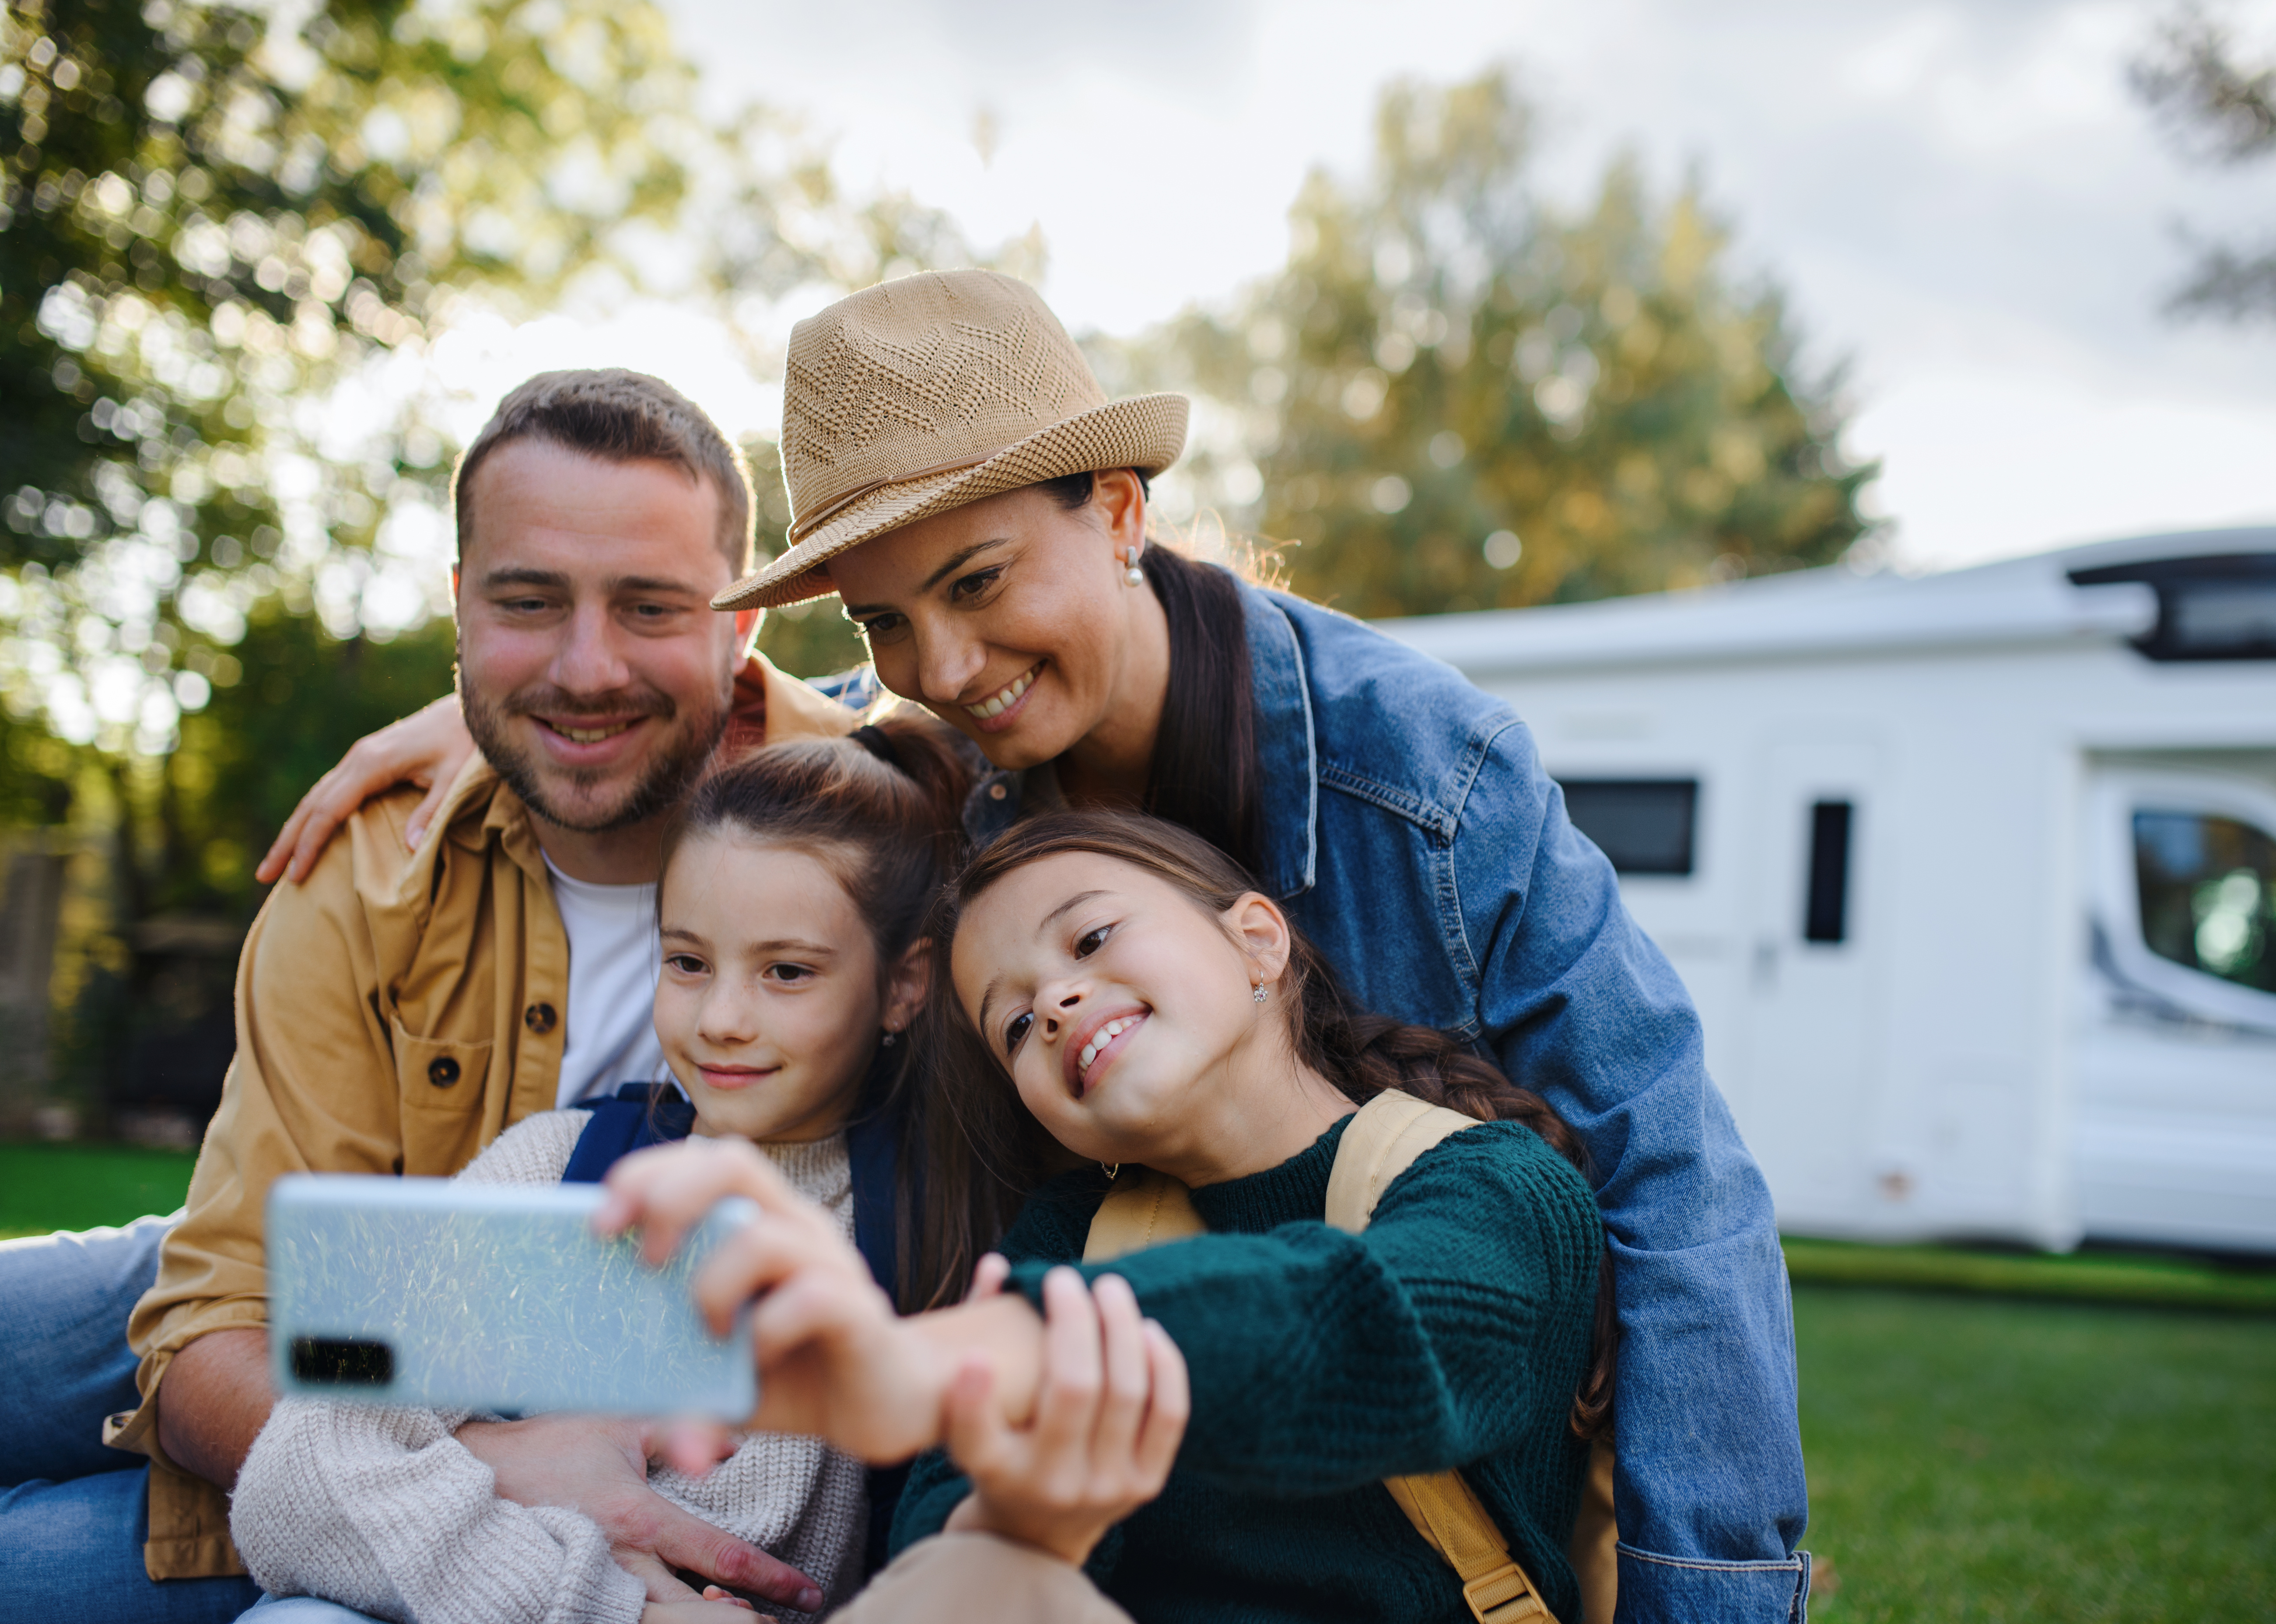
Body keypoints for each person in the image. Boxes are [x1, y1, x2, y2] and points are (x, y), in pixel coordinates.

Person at [255, 270, 1814, 1622]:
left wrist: (1708, 1601)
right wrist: (510, 710)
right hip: (825, 1342)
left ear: (1119, 509)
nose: (938, 665)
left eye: (978, 583)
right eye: (880, 624)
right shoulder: (962, 873)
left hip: (1341, 1454)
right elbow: (784, 766)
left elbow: (1657, 1195)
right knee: (173, 1340)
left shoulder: (1421, 807)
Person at [0, 369, 860, 1624]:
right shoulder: (366, 860)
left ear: (740, 630)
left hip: (448, 1427)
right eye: (528, 604)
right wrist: (474, 1470)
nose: (586, 667)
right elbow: (218, 1323)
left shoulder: (876, 835)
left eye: (650, 607)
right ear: (459, 610)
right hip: (337, 1347)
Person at [596, 808, 1610, 1623]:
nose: (1058, 1003)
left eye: (1090, 937)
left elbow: (1359, 1325)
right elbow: (943, 1536)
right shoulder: (1068, 1232)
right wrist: (1024, 1515)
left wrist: (928, 1366)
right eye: (1016, 1021)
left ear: (1258, 938)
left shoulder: (1496, 1186)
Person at [228, 722, 971, 1624]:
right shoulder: (562, 1169)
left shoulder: (945, 1221)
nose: (723, 1017)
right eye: (688, 961)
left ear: (904, 984)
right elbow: (292, 1475)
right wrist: (622, 1611)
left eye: (786, 971)